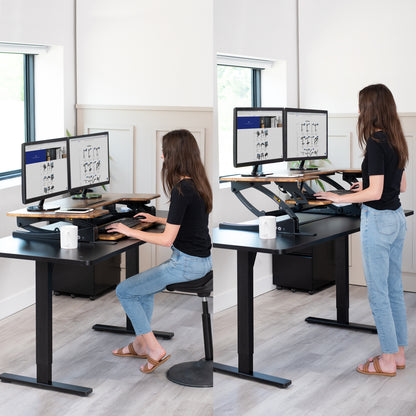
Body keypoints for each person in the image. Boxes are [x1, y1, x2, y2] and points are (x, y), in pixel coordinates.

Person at [315, 84, 408, 377]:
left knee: (378, 293)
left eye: (360, 106)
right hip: (396, 219)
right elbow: (399, 186)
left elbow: (376, 191)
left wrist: (341, 198)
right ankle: (399, 353)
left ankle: (387, 360)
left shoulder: (376, 143)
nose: (358, 112)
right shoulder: (396, 140)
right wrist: (364, 185)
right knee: (394, 289)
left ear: (369, 110)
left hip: (378, 221)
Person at [106, 129, 213, 374]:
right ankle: (139, 344)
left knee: (125, 290)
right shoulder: (197, 183)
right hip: (201, 261)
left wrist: (129, 230)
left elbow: (166, 241)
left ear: (174, 156)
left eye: (164, 152)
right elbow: (190, 223)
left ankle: (154, 349)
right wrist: (158, 219)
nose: (162, 156)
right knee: (142, 289)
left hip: (186, 265)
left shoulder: (181, 191)